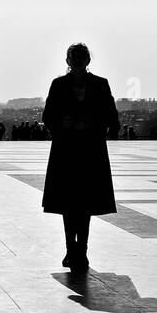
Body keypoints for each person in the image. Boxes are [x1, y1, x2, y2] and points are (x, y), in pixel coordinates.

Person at [41, 42, 119, 274]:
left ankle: (79, 250)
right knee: (72, 203)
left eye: (79, 58)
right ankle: (73, 249)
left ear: (86, 61)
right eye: (75, 58)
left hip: (84, 149)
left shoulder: (98, 84)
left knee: (81, 204)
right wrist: (63, 123)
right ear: (69, 61)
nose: (77, 62)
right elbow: (48, 115)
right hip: (73, 148)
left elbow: (110, 115)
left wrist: (92, 123)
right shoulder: (63, 85)